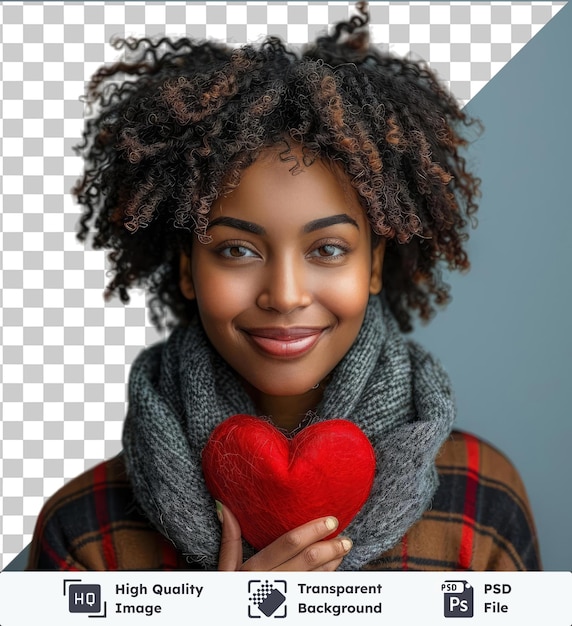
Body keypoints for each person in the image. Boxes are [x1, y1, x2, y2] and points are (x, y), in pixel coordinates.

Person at [27, 3, 540, 572]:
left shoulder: (482, 500)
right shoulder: (85, 529)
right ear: (185, 269)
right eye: (237, 250)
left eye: (328, 249)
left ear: (373, 265)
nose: (287, 294)